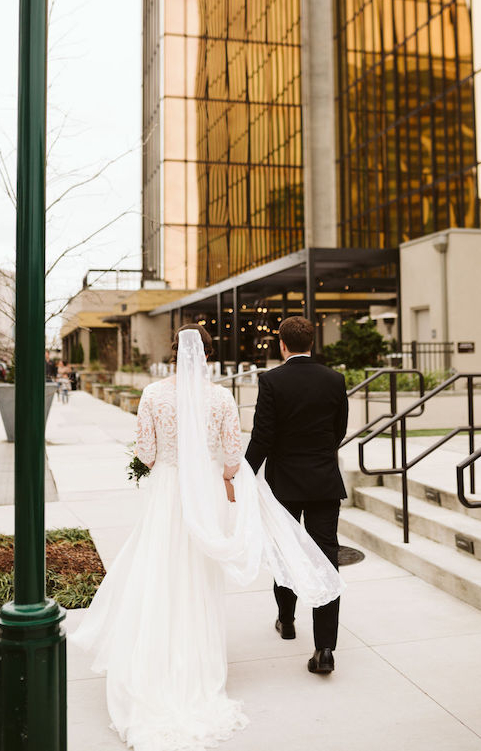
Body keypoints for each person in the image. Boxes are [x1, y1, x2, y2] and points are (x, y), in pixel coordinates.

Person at [71, 325, 342, 751]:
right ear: (209, 357)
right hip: (211, 495)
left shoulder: (153, 394)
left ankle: (159, 658)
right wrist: (229, 478)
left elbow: (146, 453)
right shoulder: (220, 397)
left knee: (161, 567)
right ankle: (209, 661)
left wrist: (161, 461)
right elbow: (233, 456)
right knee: (201, 575)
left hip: (168, 495)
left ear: (174, 354)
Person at [245, 315, 349, 675]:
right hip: (323, 482)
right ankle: (324, 649)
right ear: (312, 343)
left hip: (285, 484)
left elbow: (263, 436)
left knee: (285, 552)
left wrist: (243, 473)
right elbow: (339, 430)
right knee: (326, 556)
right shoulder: (334, 380)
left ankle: (286, 621)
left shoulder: (271, 380)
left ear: (282, 345)